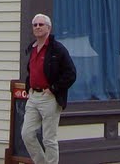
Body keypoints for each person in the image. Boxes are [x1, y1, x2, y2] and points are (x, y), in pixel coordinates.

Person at [22, 13, 76, 164]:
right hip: (33, 97)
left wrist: (53, 88)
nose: (38, 27)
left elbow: (71, 73)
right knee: (27, 134)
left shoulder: (58, 49)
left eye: (41, 24)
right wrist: (29, 87)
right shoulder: (32, 48)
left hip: (49, 98)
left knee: (49, 139)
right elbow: (31, 71)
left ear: (49, 28)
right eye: (35, 25)